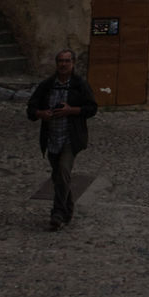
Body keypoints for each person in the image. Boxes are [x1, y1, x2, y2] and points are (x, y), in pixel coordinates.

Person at [26, 49, 97, 231]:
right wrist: (42, 113)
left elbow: (91, 108)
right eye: (60, 61)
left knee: (64, 171)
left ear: (72, 63)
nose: (63, 64)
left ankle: (57, 213)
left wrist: (71, 110)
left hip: (70, 138)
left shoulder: (79, 85)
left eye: (66, 61)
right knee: (59, 176)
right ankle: (68, 208)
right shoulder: (47, 85)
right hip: (52, 138)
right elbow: (31, 109)